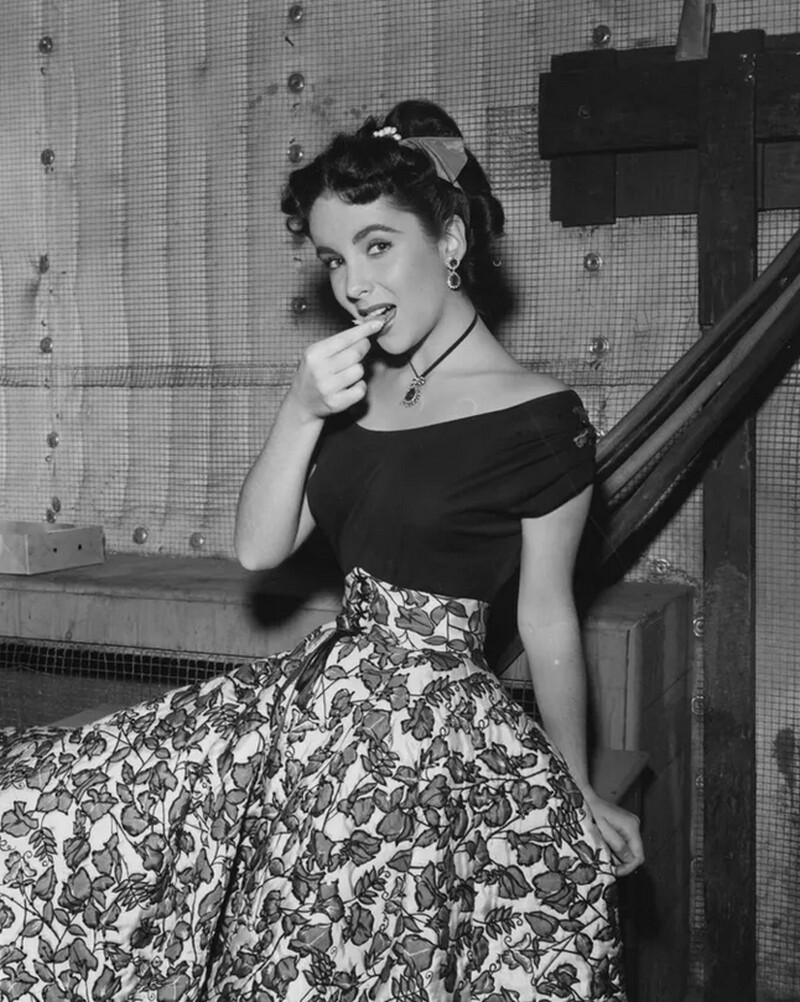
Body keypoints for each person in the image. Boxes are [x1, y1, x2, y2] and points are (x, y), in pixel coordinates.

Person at [0, 100, 642, 1002]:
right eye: (337, 259)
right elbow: (258, 549)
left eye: (377, 246)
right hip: (315, 696)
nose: (354, 285)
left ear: (451, 240)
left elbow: (546, 619)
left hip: (417, 741)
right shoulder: (349, 385)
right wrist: (300, 409)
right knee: (45, 815)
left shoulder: (542, 419)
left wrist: (576, 785)